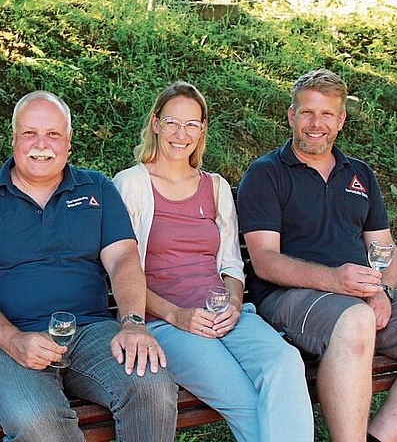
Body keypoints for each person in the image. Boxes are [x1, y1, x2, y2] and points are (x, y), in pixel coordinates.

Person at [0, 90, 178, 441]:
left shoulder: (96, 187)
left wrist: (132, 323)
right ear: (13, 139)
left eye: (53, 134)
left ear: (68, 142)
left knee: (153, 388)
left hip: (90, 331)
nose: (42, 144)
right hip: (6, 340)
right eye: (29, 134)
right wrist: (14, 340)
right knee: (41, 424)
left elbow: (124, 259)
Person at [112, 81, 314, 442]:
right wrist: (176, 315)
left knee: (284, 363)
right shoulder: (131, 184)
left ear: (202, 130)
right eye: (172, 122)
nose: (181, 133)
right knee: (246, 400)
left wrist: (235, 303)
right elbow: (121, 272)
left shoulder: (216, 186)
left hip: (224, 313)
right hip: (166, 322)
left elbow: (231, 265)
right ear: (155, 123)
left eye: (192, 124)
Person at [237, 68, 397, 442]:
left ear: (341, 120)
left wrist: (381, 290)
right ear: (291, 115)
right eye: (307, 112)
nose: (316, 124)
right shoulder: (266, 174)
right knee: (354, 321)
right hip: (289, 298)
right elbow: (265, 261)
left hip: (362, 296)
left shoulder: (360, 174)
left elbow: (385, 248)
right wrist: (336, 281)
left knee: (359, 316)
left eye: (326, 114)